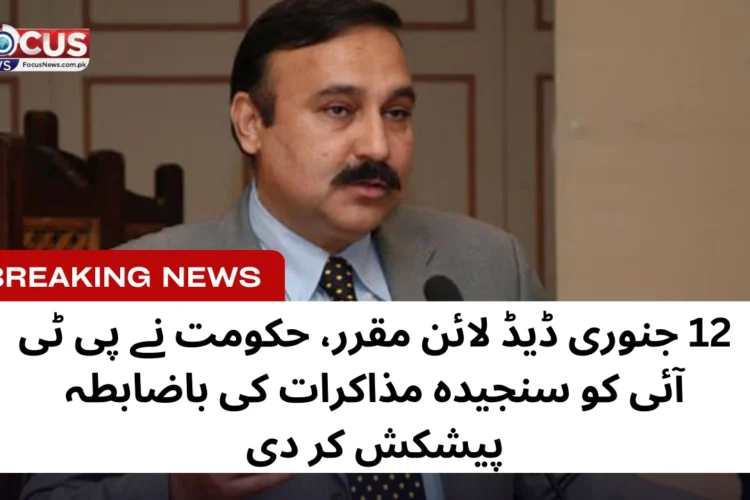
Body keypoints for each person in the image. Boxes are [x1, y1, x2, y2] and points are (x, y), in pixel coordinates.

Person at [21, 1, 706, 499]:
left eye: (397, 113)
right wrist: (176, 490)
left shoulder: (486, 266)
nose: (378, 145)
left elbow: (567, 474)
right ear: (251, 123)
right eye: (339, 110)